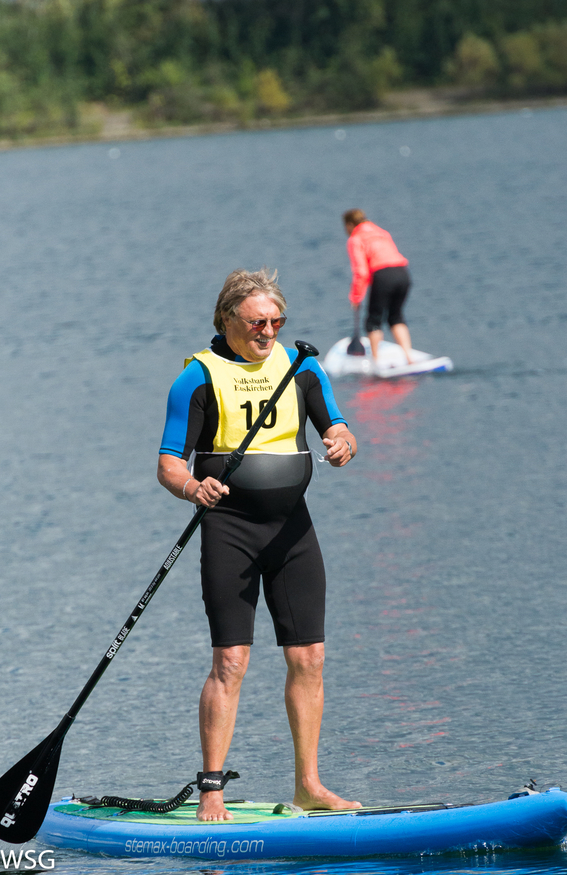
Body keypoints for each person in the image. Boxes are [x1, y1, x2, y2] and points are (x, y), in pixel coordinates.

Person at [157, 268, 361, 822]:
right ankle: (212, 789)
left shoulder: (302, 366)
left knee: (310, 656)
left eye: (277, 322)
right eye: (256, 323)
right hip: (231, 530)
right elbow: (169, 463)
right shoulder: (198, 377)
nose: (268, 332)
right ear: (227, 320)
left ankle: (309, 785)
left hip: (293, 529)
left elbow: (337, 428)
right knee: (231, 660)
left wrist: (343, 443)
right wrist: (192, 486)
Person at [343, 208, 417, 366]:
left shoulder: (355, 239)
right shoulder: (382, 232)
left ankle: (376, 361)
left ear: (350, 225)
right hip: (403, 273)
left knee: (373, 320)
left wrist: (356, 297)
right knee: (395, 316)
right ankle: (409, 357)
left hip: (383, 275)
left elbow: (361, 272)